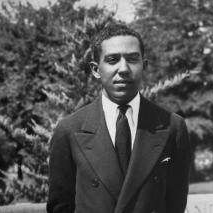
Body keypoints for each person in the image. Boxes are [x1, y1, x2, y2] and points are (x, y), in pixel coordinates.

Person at [47, 24, 191, 213]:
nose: (123, 69)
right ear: (96, 69)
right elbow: (60, 207)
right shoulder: (69, 130)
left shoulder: (172, 126)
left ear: (144, 66)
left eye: (132, 59)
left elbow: (176, 204)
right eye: (112, 60)